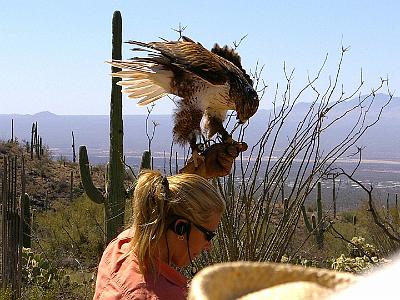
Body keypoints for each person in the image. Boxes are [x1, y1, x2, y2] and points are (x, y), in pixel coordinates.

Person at [93, 170, 226, 300]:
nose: (209, 246)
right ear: (181, 227)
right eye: (208, 236)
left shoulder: (121, 244)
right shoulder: (162, 295)